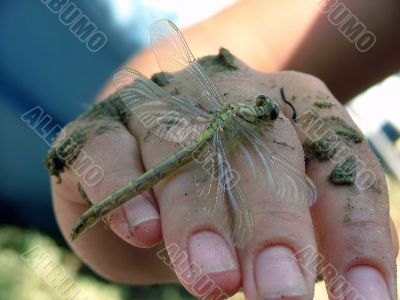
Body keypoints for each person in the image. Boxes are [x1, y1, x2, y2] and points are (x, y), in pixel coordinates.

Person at [50, 1, 400, 299]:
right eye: (265, 111)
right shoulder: (253, 129)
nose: (269, 116)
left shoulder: (236, 122)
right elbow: (137, 92)